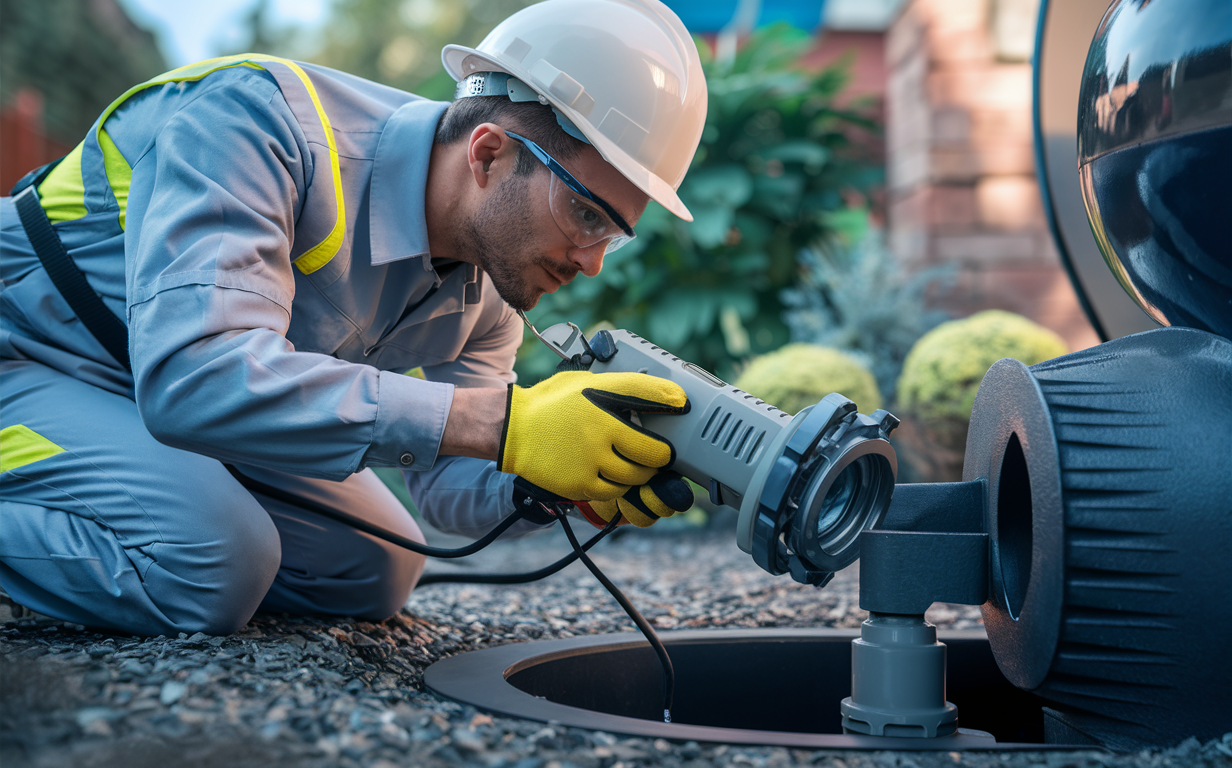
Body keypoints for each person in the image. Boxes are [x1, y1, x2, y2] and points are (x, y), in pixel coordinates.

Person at [0, 0, 708, 635]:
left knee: (375, 570)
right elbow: (196, 377)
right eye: (586, 213)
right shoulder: (255, 123)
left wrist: (560, 485)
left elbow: (450, 488)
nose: (592, 262)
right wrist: (503, 423)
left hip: (143, 395)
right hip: (27, 354)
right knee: (213, 561)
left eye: (612, 232)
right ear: (489, 152)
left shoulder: (485, 287)